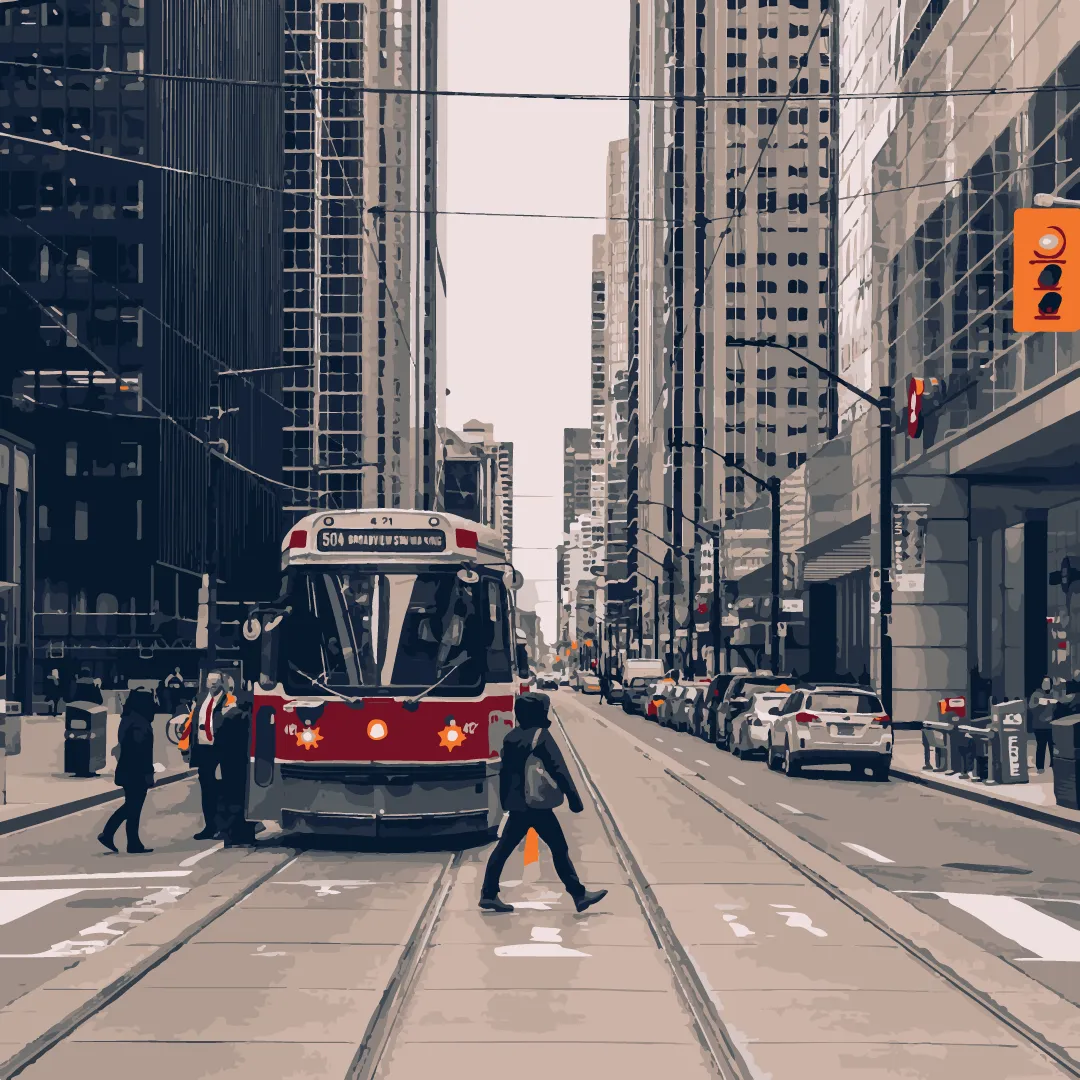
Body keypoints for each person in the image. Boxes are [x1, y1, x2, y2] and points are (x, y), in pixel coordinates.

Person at [480, 691, 607, 914]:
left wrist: (506, 802)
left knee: (503, 849)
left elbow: (506, 773)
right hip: (537, 805)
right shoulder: (542, 736)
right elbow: (560, 770)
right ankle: (578, 895)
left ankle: (488, 894)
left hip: (518, 805)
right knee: (559, 848)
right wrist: (574, 799)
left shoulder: (511, 737)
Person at [97, 689, 156, 854]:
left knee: (132, 806)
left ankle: (130, 841)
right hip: (136, 771)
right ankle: (110, 834)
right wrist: (149, 772)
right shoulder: (140, 723)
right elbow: (141, 751)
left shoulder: (128, 718)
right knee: (133, 807)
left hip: (127, 769)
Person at [188, 670, 245, 840]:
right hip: (204, 751)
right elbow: (193, 723)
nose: (212, 683)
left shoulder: (230, 700)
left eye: (215, 680)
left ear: (222, 683)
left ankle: (226, 827)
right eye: (209, 680)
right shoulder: (199, 699)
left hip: (222, 751)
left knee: (226, 789)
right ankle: (209, 826)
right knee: (207, 790)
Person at [1028, 676, 1057, 774]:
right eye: (1045, 683)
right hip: (1039, 725)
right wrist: (1040, 703)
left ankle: (1053, 765)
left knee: (1052, 745)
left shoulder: (1053, 694)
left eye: (1048, 683)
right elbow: (1031, 707)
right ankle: (1040, 766)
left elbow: (1056, 707)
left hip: (1052, 725)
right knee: (1041, 746)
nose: (1046, 685)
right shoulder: (1036, 694)